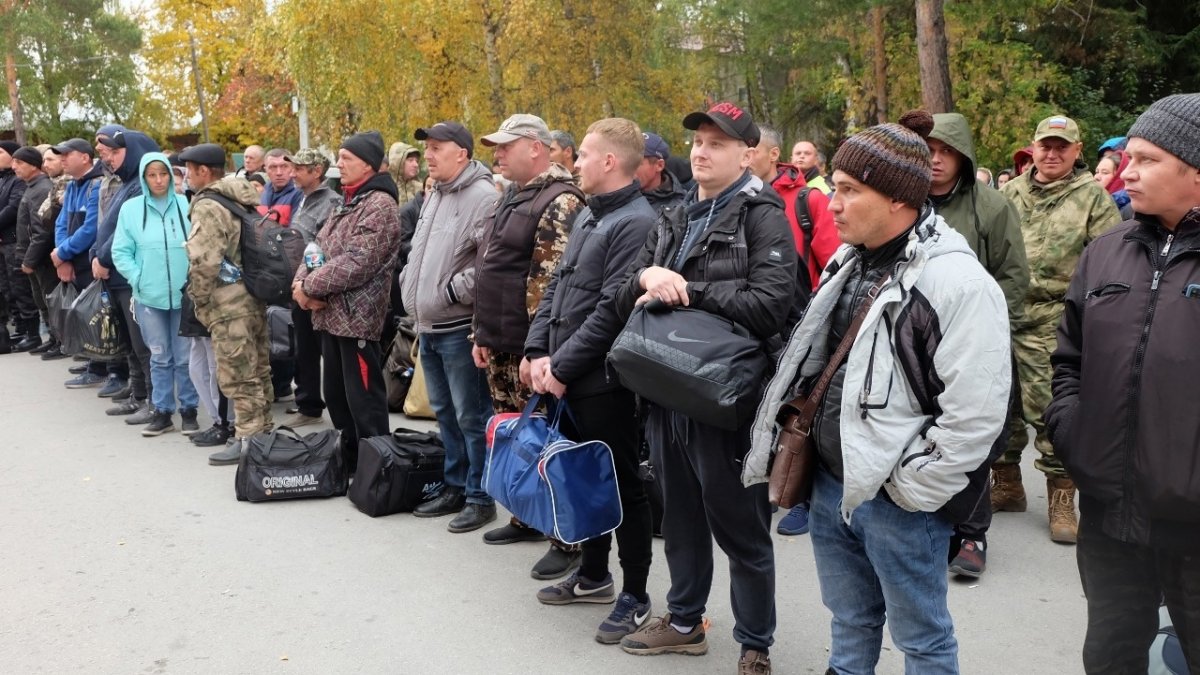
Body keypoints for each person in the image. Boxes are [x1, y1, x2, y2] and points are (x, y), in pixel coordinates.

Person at [749, 110, 1011, 675]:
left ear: (897, 199)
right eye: (835, 187)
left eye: (848, 190)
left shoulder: (959, 284)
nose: (833, 202)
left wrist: (911, 488)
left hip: (898, 502)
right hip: (831, 485)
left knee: (922, 641)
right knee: (849, 622)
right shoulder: (849, 260)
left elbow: (977, 416)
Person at [613, 102, 795, 674]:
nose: (701, 150)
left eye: (718, 143)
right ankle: (685, 622)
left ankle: (754, 644)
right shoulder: (674, 213)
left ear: (747, 154)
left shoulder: (762, 214)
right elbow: (622, 292)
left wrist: (684, 288)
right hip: (666, 388)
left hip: (726, 397)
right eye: (697, 140)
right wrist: (646, 276)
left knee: (740, 524)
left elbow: (771, 306)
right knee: (683, 517)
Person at [1045, 93, 1200, 675]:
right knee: (1110, 656)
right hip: (1111, 514)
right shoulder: (1105, 254)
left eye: (1147, 159)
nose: (1126, 171)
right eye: (1127, 157)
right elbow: (1070, 359)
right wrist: (1073, 432)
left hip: (1194, 523)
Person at [524, 118, 657, 645]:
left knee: (622, 485)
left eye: (581, 154)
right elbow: (558, 285)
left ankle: (637, 593)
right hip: (568, 374)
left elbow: (611, 312)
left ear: (609, 161)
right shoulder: (589, 216)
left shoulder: (637, 222)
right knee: (583, 480)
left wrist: (561, 366)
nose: (573, 162)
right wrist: (537, 349)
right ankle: (595, 575)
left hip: (604, 381)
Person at [996, 115, 1120, 543]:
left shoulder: (1093, 199)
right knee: (997, 403)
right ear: (1032, 147)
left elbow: (1108, 264)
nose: (1051, 154)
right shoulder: (1008, 192)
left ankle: (1062, 497)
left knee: (1052, 411)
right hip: (1002, 312)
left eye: (1061, 147)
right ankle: (1006, 484)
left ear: (1077, 150)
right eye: (1044, 146)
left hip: (1054, 317)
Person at [473, 113, 586, 571]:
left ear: (535, 147)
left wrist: (537, 351)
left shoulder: (560, 200)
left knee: (546, 438)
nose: (497, 154)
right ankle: (527, 516)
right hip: (499, 338)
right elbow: (490, 267)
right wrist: (480, 330)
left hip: (530, 347)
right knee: (515, 437)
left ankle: (566, 538)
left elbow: (550, 283)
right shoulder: (513, 195)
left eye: (505, 146)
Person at [925, 112, 1029, 577]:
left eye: (946, 150)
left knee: (972, 437)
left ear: (963, 156)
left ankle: (972, 534)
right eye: (927, 149)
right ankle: (925, 525)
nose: (935, 159)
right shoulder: (902, 202)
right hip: (914, 345)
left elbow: (1013, 276)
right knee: (922, 435)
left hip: (974, 343)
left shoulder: (991, 205)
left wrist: (976, 327)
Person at [400, 121, 496, 531]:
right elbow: (419, 255)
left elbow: (488, 265)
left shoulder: (483, 196)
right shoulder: (435, 194)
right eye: (427, 149)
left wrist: (450, 293)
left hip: (459, 326)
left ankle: (480, 495)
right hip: (430, 326)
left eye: (438, 148)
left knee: (471, 415)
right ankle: (455, 485)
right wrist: (410, 283)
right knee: (444, 413)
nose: (429, 156)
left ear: (463, 153)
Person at [293, 131, 401, 474]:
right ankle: (351, 463)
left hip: (357, 319)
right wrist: (299, 283)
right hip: (330, 316)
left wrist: (309, 286)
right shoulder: (348, 200)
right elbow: (317, 247)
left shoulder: (380, 205)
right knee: (336, 397)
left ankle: (379, 469)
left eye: (346, 158)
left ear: (368, 164)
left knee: (364, 400)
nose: (338, 164)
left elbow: (357, 262)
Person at [180, 143, 274, 465]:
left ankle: (248, 439)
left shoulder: (207, 204)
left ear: (203, 171)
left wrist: (199, 299)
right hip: (251, 295)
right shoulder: (241, 197)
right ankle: (264, 434)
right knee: (259, 370)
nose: (187, 176)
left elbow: (205, 260)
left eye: (189, 170)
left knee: (238, 374)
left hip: (227, 303)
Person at [111, 152, 198, 436]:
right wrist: (139, 278)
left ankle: (189, 410)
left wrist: (195, 279)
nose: (159, 180)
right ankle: (162, 411)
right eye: (152, 175)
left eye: (163, 174)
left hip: (184, 296)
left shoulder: (187, 205)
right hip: (149, 296)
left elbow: (200, 245)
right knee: (159, 356)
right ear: (144, 178)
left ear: (172, 176)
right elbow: (120, 251)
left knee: (185, 358)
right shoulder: (131, 209)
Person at [91, 130, 161, 414]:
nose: (111, 159)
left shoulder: (140, 186)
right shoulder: (126, 183)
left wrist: (103, 258)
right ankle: (139, 391)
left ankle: (155, 402)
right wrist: (96, 256)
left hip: (129, 275)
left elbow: (125, 232)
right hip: (115, 275)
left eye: (116, 152)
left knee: (143, 343)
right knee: (130, 342)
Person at [279, 148, 338, 429]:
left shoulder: (331, 203)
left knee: (324, 350)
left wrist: (313, 287)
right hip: (299, 286)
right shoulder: (303, 200)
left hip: (316, 289)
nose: (293, 173)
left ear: (317, 171)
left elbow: (325, 249)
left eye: (299, 169)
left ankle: (330, 405)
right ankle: (308, 403)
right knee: (304, 349)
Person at [50, 138, 106, 386]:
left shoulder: (97, 184)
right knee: (85, 314)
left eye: (66, 154)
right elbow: (62, 223)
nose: (62, 159)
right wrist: (63, 254)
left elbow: (91, 228)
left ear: (85, 157)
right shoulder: (73, 186)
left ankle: (109, 368)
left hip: (91, 261)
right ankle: (94, 362)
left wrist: (63, 253)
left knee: (100, 315)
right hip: (76, 261)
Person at [30, 148, 70, 359]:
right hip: (56, 250)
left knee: (62, 302)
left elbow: (50, 218)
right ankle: (57, 340)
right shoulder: (54, 184)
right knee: (50, 300)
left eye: (50, 159)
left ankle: (64, 343)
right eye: (44, 160)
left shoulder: (65, 183)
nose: (46, 164)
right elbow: (43, 214)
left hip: (61, 251)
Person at [8, 146, 49, 353]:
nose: (14, 167)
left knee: (47, 299)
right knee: (39, 299)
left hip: (38, 259)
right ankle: (52, 339)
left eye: (20, 163)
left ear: (34, 165)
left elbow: (40, 230)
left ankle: (55, 340)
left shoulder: (41, 188)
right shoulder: (31, 186)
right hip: (29, 255)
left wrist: (29, 260)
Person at [0, 139, 29, 354]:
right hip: (4, 240)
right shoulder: (4, 179)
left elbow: (13, 207)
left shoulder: (18, 181)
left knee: (19, 286)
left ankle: (31, 332)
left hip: (13, 241)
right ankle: (20, 327)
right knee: (7, 288)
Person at [636, 132, 686, 212]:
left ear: (659, 165)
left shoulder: (679, 209)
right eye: (628, 161)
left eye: (637, 162)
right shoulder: (618, 195)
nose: (629, 168)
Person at [1094, 152, 1133, 220]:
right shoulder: (1093, 204)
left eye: (1105, 172)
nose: (1096, 177)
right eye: (1097, 172)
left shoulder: (1130, 211)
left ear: (1119, 177)